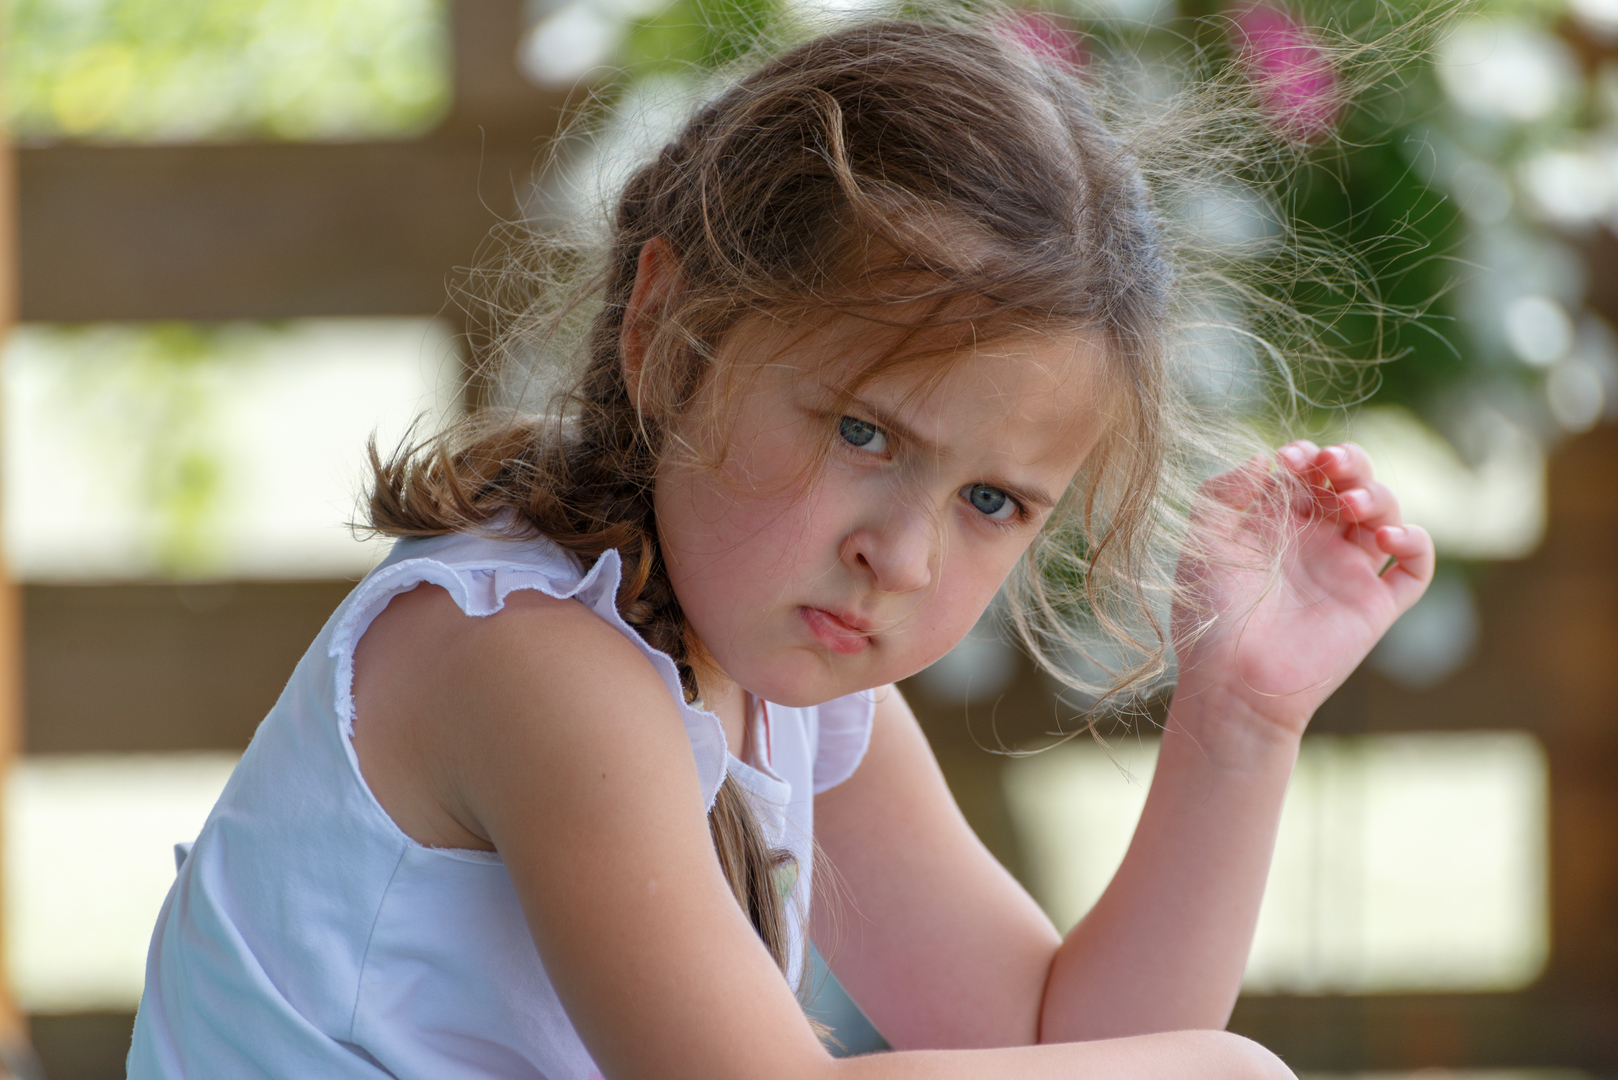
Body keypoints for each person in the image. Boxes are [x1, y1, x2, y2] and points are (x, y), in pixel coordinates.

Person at [129, 14, 1435, 1080]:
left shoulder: (783, 683)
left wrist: (1241, 718)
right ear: (667, 334)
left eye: (991, 502)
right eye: (864, 433)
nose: (902, 558)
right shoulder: (527, 658)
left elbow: (1059, 1044)